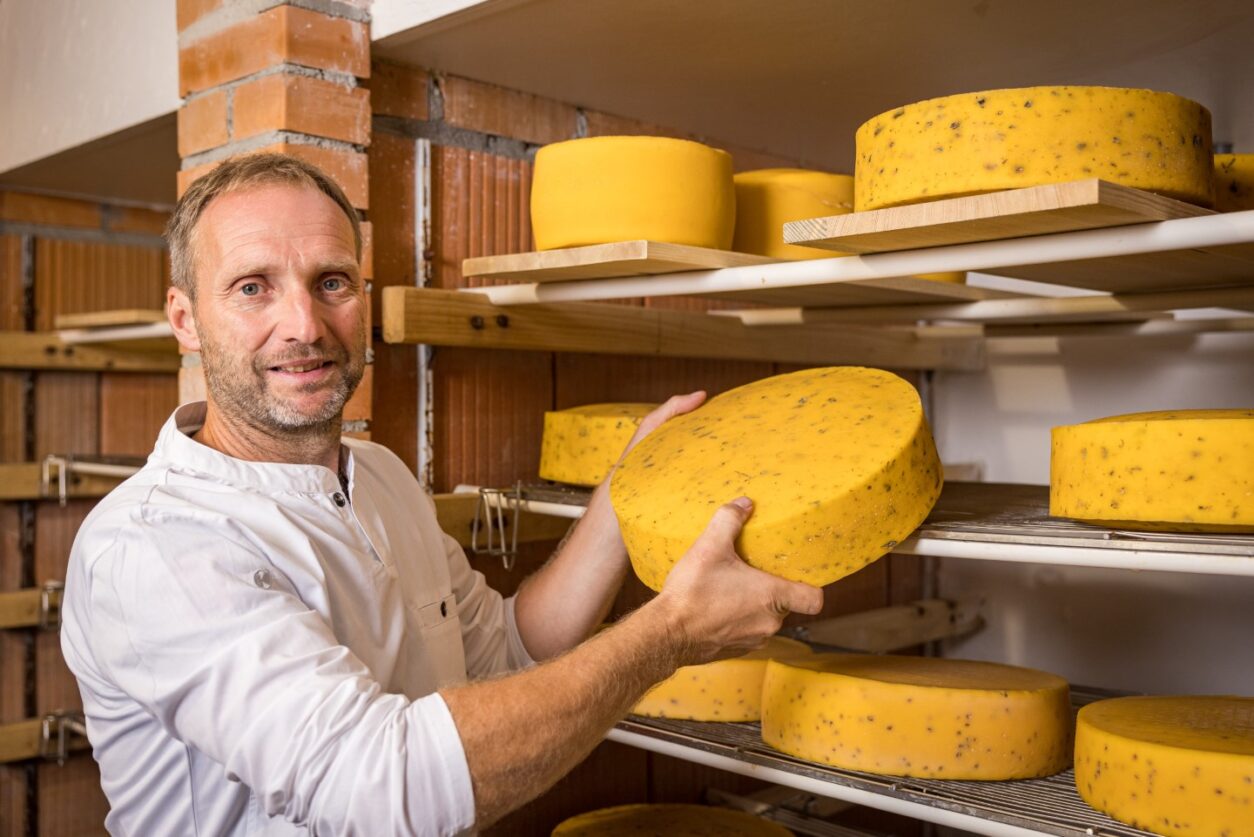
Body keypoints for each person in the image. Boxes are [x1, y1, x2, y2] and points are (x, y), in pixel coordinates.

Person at [60, 153, 823, 835]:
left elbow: (507, 648)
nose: (305, 324)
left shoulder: (379, 475)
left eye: (332, 282)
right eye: (253, 288)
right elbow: (378, 788)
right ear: (186, 321)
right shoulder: (154, 544)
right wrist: (673, 631)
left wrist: (624, 490)